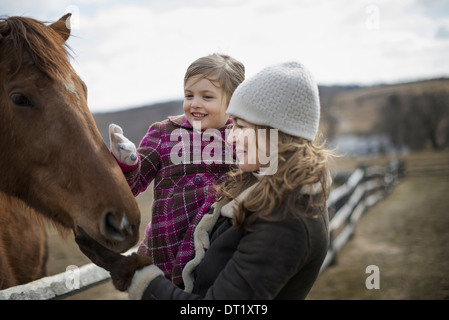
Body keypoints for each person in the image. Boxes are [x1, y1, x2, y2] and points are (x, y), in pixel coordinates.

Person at [76, 61, 334, 299]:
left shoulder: (286, 220)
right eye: (233, 125)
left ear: (276, 132)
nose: (230, 138)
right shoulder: (262, 186)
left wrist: (133, 274)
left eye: (241, 127)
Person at [108, 53, 245, 286]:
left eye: (207, 96)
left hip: (216, 255)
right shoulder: (164, 132)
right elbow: (134, 183)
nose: (195, 103)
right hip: (164, 251)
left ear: (232, 102)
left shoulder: (241, 138)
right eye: (189, 95)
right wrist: (127, 163)